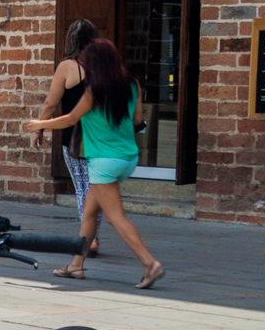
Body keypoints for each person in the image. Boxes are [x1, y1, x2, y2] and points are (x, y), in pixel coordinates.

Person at [25, 39, 165, 289]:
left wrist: (40, 124)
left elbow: (70, 120)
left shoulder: (95, 90)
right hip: (128, 157)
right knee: (90, 211)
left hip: (103, 161)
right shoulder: (132, 85)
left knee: (115, 218)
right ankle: (76, 265)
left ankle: (149, 263)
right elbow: (137, 119)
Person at [34, 19, 103, 257]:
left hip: (76, 138)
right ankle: (93, 237)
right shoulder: (105, 66)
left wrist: (40, 128)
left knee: (83, 188)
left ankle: (90, 240)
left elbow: (52, 103)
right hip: (103, 136)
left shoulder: (67, 66)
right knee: (98, 188)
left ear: (70, 40)